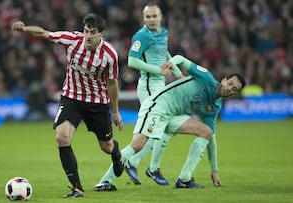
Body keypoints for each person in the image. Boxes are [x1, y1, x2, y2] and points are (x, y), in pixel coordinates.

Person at [11, 13, 124, 198]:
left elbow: (112, 83)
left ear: (101, 34)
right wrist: (24, 29)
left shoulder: (110, 55)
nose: (88, 36)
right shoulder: (72, 40)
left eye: (93, 32)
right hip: (71, 98)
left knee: (106, 146)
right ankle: (77, 188)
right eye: (86, 31)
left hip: (97, 103)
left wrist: (116, 111)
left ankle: (116, 152)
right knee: (62, 137)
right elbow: (44, 34)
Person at [103, 54, 246, 189]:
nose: (229, 88)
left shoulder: (215, 107)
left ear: (234, 94)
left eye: (234, 89)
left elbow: (212, 138)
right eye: (230, 83)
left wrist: (214, 170)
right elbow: (181, 59)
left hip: (173, 115)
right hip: (159, 105)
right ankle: (105, 180)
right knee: (138, 144)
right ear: (224, 80)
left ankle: (184, 178)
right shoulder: (206, 77)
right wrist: (171, 63)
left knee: (206, 132)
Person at [94, 3, 187, 191]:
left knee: (156, 132)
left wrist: (177, 72)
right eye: (148, 17)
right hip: (148, 86)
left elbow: (164, 54)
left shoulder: (163, 33)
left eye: (154, 16)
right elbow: (132, 61)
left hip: (159, 86)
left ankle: (137, 164)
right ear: (143, 18)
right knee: (147, 136)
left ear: (161, 17)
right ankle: (120, 172)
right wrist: (157, 70)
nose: (151, 20)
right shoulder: (141, 36)